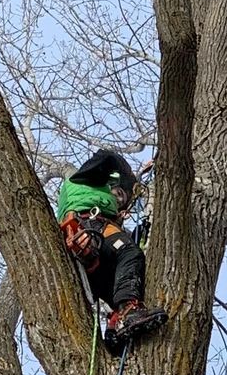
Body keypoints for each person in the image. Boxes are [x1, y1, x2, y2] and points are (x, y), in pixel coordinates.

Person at [55, 148, 166, 351]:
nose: (121, 203)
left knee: (121, 277)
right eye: (119, 195)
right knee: (130, 253)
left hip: (92, 255)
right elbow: (107, 155)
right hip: (90, 227)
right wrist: (130, 178)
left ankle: (115, 327)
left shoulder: (84, 196)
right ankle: (128, 311)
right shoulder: (87, 181)